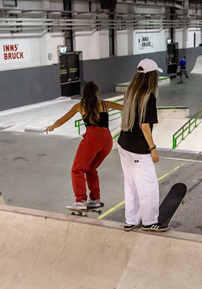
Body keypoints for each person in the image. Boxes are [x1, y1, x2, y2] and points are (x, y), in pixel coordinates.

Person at [45, 81, 123, 210]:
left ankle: (81, 200)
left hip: (93, 139)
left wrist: (52, 126)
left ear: (84, 94)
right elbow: (126, 108)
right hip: (107, 140)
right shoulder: (105, 104)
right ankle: (95, 199)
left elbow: (62, 120)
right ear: (97, 93)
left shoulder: (80, 106)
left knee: (77, 169)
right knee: (91, 169)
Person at [117, 58, 168, 232]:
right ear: (152, 76)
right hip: (138, 149)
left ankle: (131, 220)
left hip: (123, 145)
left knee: (130, 184)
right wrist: (153, 149)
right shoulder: (149, 96)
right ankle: (149, 221)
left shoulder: (130, 91)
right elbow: (145, 127)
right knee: (148, 185)